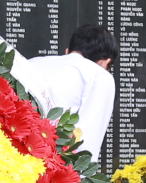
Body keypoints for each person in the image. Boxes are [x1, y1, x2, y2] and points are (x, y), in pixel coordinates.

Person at [14, 24, 117, 163]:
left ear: (68, 51)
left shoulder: (30, 63)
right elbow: (87, 142)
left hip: (10, 156)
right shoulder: (99, 76)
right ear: (105, 62)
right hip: (53, 167)